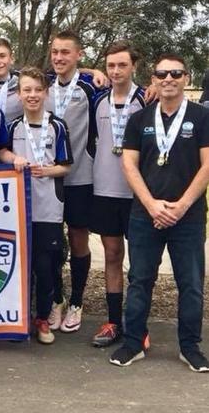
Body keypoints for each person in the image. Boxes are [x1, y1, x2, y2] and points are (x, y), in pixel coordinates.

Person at [110, 54, 209, 372]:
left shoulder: (202, 117)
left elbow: (208, 165)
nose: (168, 79)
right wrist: (152, 204)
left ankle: (190, 347)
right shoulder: (140, 119)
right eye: (162, 74)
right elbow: (128, 164)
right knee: (140, 279)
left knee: (191, 283)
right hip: (145, 213)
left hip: (188, 216)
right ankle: (133, 343)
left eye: (175, 73)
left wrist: (181, 206)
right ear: (152, 79)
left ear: (186, 78)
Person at [8, 67, 72, 344]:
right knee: (19, 268)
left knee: (45, 268)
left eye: (37, 90)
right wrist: (13, 157)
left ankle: (43, 319)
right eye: (27, 90)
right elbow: (0, 151)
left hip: (48, 208)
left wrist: (47, 171)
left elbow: (66, 166)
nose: (32, 95)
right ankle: (19, 320)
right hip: (18, 208)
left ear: (45, 93)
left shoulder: (57, 125)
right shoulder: (12, 126)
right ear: (19, 94)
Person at [89, 41, 146, 347]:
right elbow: (53, 75)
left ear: (133, 66)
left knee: (140, 261)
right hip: (106, 190)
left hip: (137, 194)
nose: (116, 71)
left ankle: (138, 326)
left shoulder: (145, 99)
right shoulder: (98, 99)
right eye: (111, 65)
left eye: (122, 65)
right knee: (112, 255)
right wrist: (91, 69)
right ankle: (113, 322)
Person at [44, 30, 96, 334]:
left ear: (79, 55)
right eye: (55, 52)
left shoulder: (91, 87)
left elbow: (124, 88)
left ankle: (77, 301)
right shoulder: (44, 85)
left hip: (80, 177)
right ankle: (57, 299)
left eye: (66, 52)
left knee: (78, 237)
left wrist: (96, 72)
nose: (59, 57)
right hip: (50, 179)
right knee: (51, 241)